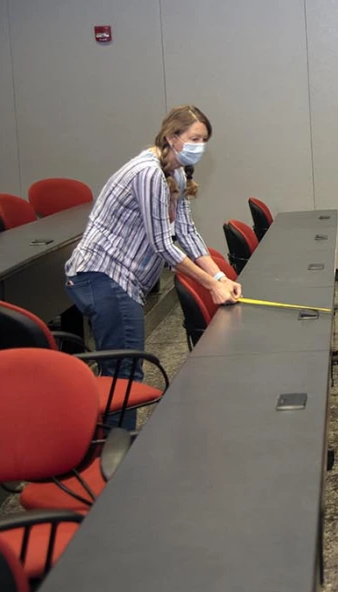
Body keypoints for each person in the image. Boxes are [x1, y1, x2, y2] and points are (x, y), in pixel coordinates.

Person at [64, 105, 241, 429]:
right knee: (124, 374)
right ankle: (115, 456)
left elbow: (185, 231)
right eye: (194, 138)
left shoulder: (174, 172)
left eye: (204, 140)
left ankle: (110, 447)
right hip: (104, 275)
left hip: (120, 280)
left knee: (121, 371)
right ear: (172, 137)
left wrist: (218, 276)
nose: (200, 146)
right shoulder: (148, 173)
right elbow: (163, 243)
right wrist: (211, 284)